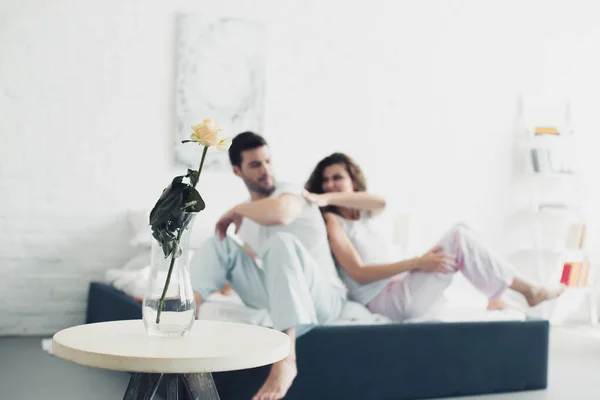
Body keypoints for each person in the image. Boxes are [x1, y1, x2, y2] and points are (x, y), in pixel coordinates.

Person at [304, 152, 564, 322]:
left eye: (337, 178)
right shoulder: (332, 221)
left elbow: (380, 202)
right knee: (459, 237)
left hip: (398, 287)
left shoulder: (363, 216)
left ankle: (496, 297)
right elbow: (358, 273)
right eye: (325, 181)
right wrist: (416, 262)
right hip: (384, 302)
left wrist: (328, 197)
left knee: (462, 231)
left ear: (353, 183)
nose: (328, 185)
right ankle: (531, 290)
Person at [189, 133, 347, 400]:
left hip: (324, 298)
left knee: (280, 242)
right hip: (283, 295)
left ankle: (286, 360)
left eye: (268, 161)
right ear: (237, 171)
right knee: (220, 242)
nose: (266, 170)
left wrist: (236, 209)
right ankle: (182, 316)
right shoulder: (249, 215)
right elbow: (248, 267)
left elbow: (282, 214)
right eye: (256, 165)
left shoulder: (291, 193)